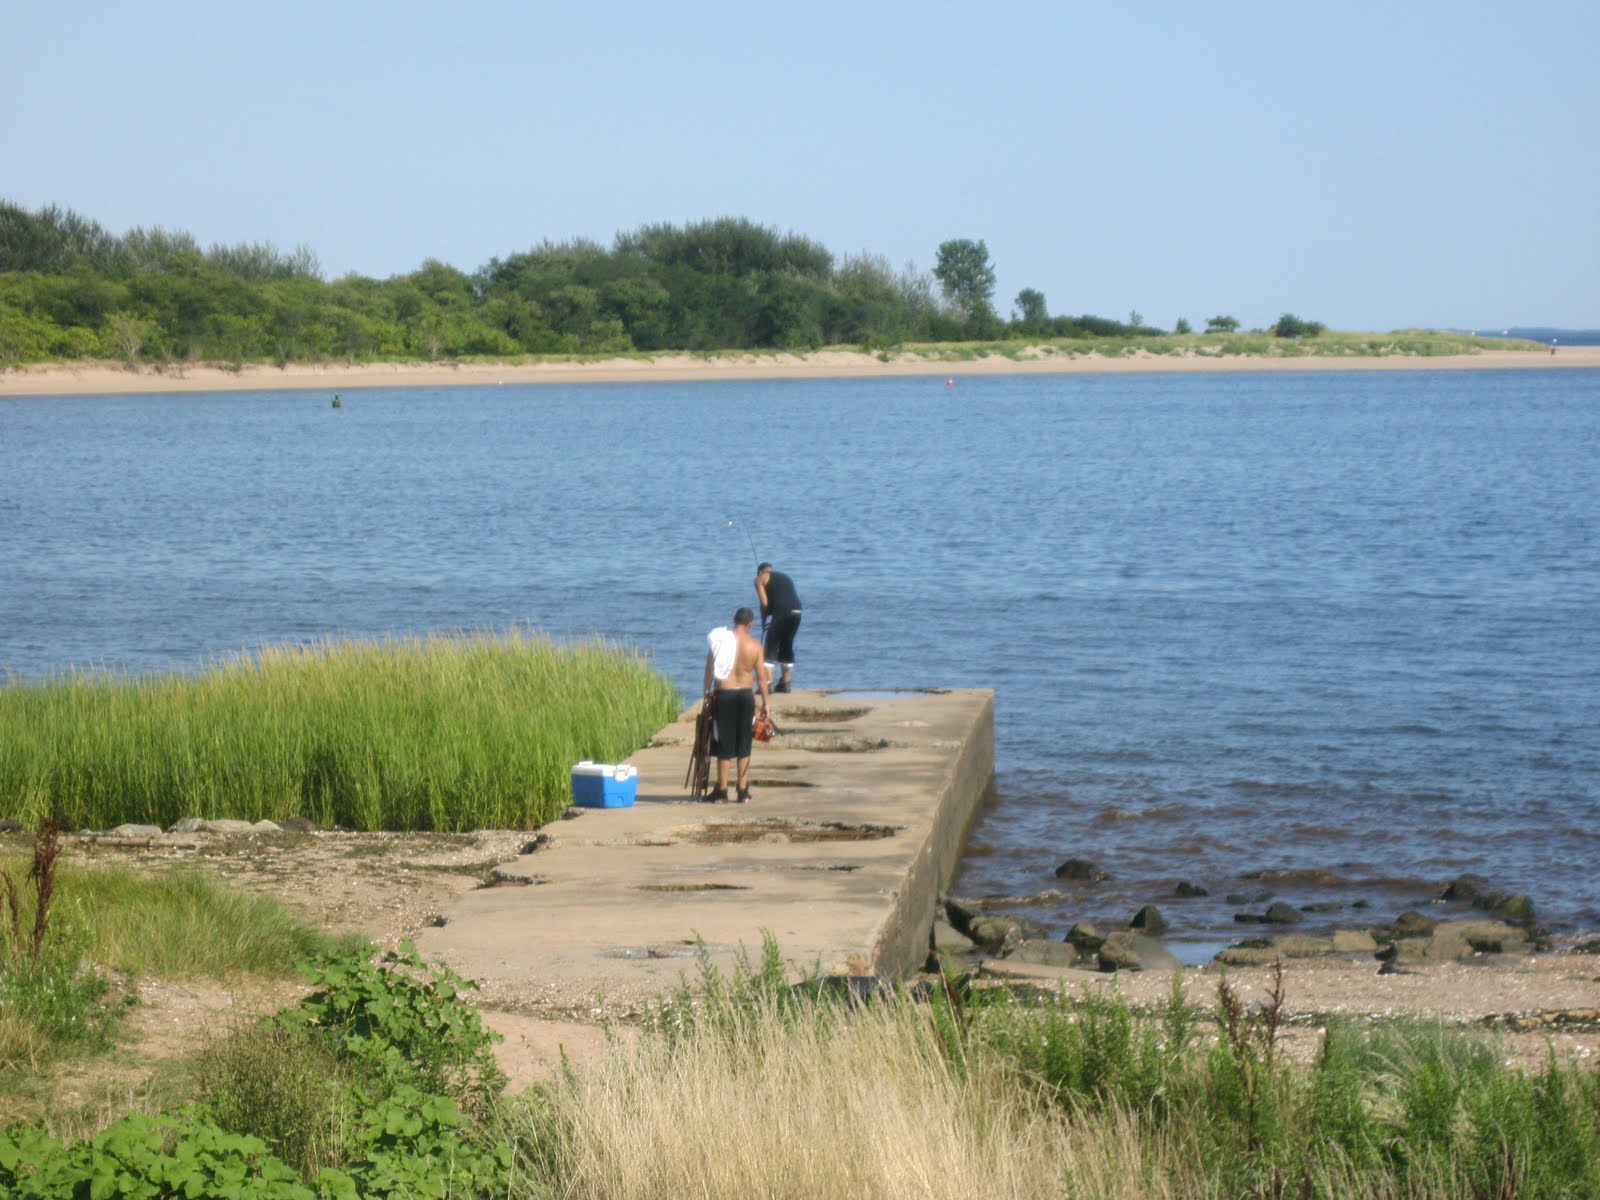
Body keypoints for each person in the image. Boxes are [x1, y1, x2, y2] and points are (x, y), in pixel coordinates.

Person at [702, 606, 771, 803]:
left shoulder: (720, 642)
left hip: (724, 694)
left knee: (723, 743)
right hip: (745, 696)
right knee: (744, 743)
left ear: (734, 621)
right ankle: (743, 790)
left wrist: (707, 692)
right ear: (750, 624)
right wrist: (765, 703)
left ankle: (722, 791)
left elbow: (709, 668)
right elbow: (761, 677)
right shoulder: (755, 646)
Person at [754, 562, 802, 692]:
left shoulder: (759, 578)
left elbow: (764, 603)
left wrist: (765, 620)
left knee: (768, 647)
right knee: (787, 645)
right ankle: (786, 684)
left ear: (760, 572)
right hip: (797, 612)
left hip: (779, 611)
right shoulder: (785, 577)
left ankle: (768, 684)